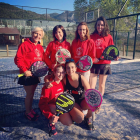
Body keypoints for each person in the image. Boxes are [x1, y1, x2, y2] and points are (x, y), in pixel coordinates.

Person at [44, 58, 94, 130]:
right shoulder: (64, 78)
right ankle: (71, 115)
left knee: (92, 105)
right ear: (66, 70)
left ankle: (88, 118)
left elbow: (89, 93)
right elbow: (49, 76)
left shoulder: (81, 78)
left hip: (82, 101)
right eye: (68, 68)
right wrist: (46, 81)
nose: (70, 70)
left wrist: (96, 104)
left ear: (76, 68)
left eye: (72, 67)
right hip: (73, 102)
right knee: (79, 118)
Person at [14, 27, 45, 121]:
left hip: (35, 75)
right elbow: (18, 59)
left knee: (32, 94)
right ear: (32, 33)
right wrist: (24, 71)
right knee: (29, 94)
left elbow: (42, 61)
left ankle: (30, 110)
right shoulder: (24, 45)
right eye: (36, 33)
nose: (37, 36)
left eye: (40, 35)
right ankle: (27, 112)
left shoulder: (40, 47)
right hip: (27, 75)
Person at [39, 64, 73, 136]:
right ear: (54, 72)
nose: (61, 74)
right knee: (54, 114)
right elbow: (42, 104)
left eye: (63, 72)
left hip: (59, 106)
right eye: (58, 72)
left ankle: (57, 116)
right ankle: (51, 123)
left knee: (68, 122)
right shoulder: (48, 86)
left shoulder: (63, 82)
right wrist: (50, 115)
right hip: (51, 106)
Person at [90, 16, 116, 98]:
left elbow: (112, 51)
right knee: (91, 86)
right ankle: (92, 103)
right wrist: (93, 59)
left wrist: (115, 56)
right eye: (98, 25)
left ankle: (99, 103)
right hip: (94, 63)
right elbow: (89, 50)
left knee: (101, 85)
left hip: (104, 64)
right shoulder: (91, 36)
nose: (100, 27)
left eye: (102, 25)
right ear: (96, 25)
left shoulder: (109, 37)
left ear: (105, 26)